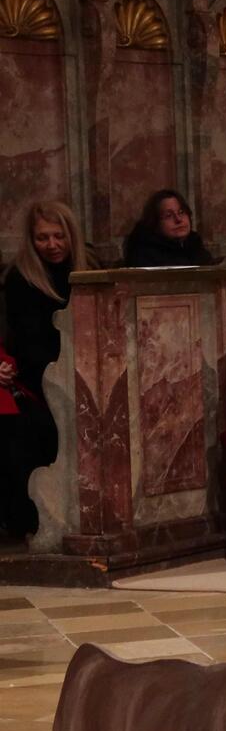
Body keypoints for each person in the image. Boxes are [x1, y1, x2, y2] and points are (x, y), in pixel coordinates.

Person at [1, 201, 90, 537]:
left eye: (58, 236)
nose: (52, 245)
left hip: (81, 368)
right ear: (31, 240)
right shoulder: (20, 278)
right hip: (38, 376)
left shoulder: (88, 270)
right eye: (42, 238)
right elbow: (28, 342)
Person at [123, 189, 215, 267]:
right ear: (155, 223)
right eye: (168, 215)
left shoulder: (196, 247)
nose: (178, 219)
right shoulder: (144, 257)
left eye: (181, 212)